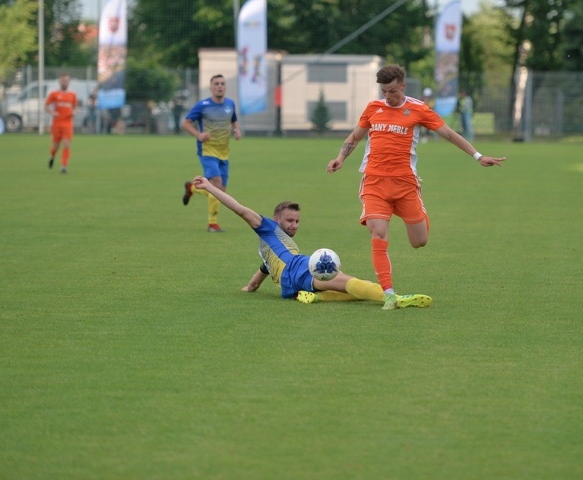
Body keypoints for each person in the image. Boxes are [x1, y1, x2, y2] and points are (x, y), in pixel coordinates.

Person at [326, 64, 506, 310]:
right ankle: (388, 294)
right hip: (374, 182)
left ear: (402, 85)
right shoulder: (373, 108)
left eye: (392, 91)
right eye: (384, 91)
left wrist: (478, 156)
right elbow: (355, 137)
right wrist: (340, 158)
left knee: (419, 241)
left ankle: (415, 212)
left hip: (405, 184)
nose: (388, 97)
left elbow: (450, 134)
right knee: (378, 233)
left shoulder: (418, 109)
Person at [194, 177, 432, 308]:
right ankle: (392, 298)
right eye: (289, 220)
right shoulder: (267, 227)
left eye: (297, 221)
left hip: (292, 282)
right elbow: (240, 209)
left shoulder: (271, 250)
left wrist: (249, 288)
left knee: (348, 285)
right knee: (348, 281)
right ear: (276, 219)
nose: (293, 225)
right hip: (298, 267)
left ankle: (316, 296)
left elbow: (260, 275)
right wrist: (210, 187)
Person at [180, 74, 242, 232]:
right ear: (211, 87)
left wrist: (236, 130)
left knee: (220, 192)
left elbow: (233, 120)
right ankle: (212, 224)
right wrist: (198, 135)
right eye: (216, 84)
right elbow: (185, 123)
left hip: (224, 152)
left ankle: (192, 189)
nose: (220, 86)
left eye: (222, 83)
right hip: (207, 151)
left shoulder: (230, 104)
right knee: (216, 182)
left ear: (225, 87)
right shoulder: (203, 105)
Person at [45, 73, 78, 174]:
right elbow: (46, 106)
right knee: (55, 145)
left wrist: (74, 112)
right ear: (59, 81)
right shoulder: (54, 94)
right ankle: (52, 156)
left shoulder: (72, 95)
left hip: (67, 123)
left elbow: (75, 106)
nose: (65, 82)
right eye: (63, 80)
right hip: (57, 123)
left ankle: (64, 166)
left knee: (66, 144)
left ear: (69, 82)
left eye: (66, 81)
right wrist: (52, 112)